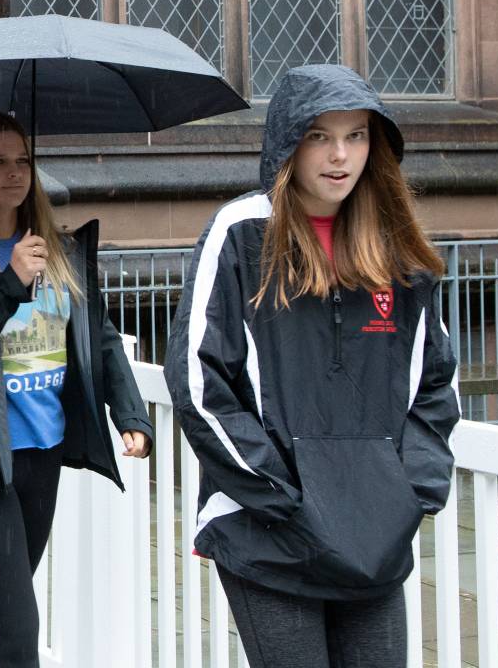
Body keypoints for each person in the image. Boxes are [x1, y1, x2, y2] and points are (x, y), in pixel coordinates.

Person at [165, 64, 459, 668]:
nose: (339, 155)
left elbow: (436, 382)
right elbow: (198, 379)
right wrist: (278, 494)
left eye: (356, 136)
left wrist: (410, 493)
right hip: (267, 528)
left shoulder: (395, 244)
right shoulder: (242, 231)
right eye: (319, 135)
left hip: (372, 530)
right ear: (287, 144)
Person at [0, 111, 154, 668]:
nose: (14, 173)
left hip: (41, 457)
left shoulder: (60, 251)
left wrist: (131, 413)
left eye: (22, 160)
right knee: (19, 635)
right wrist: (9, 285)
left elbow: (102, 338)